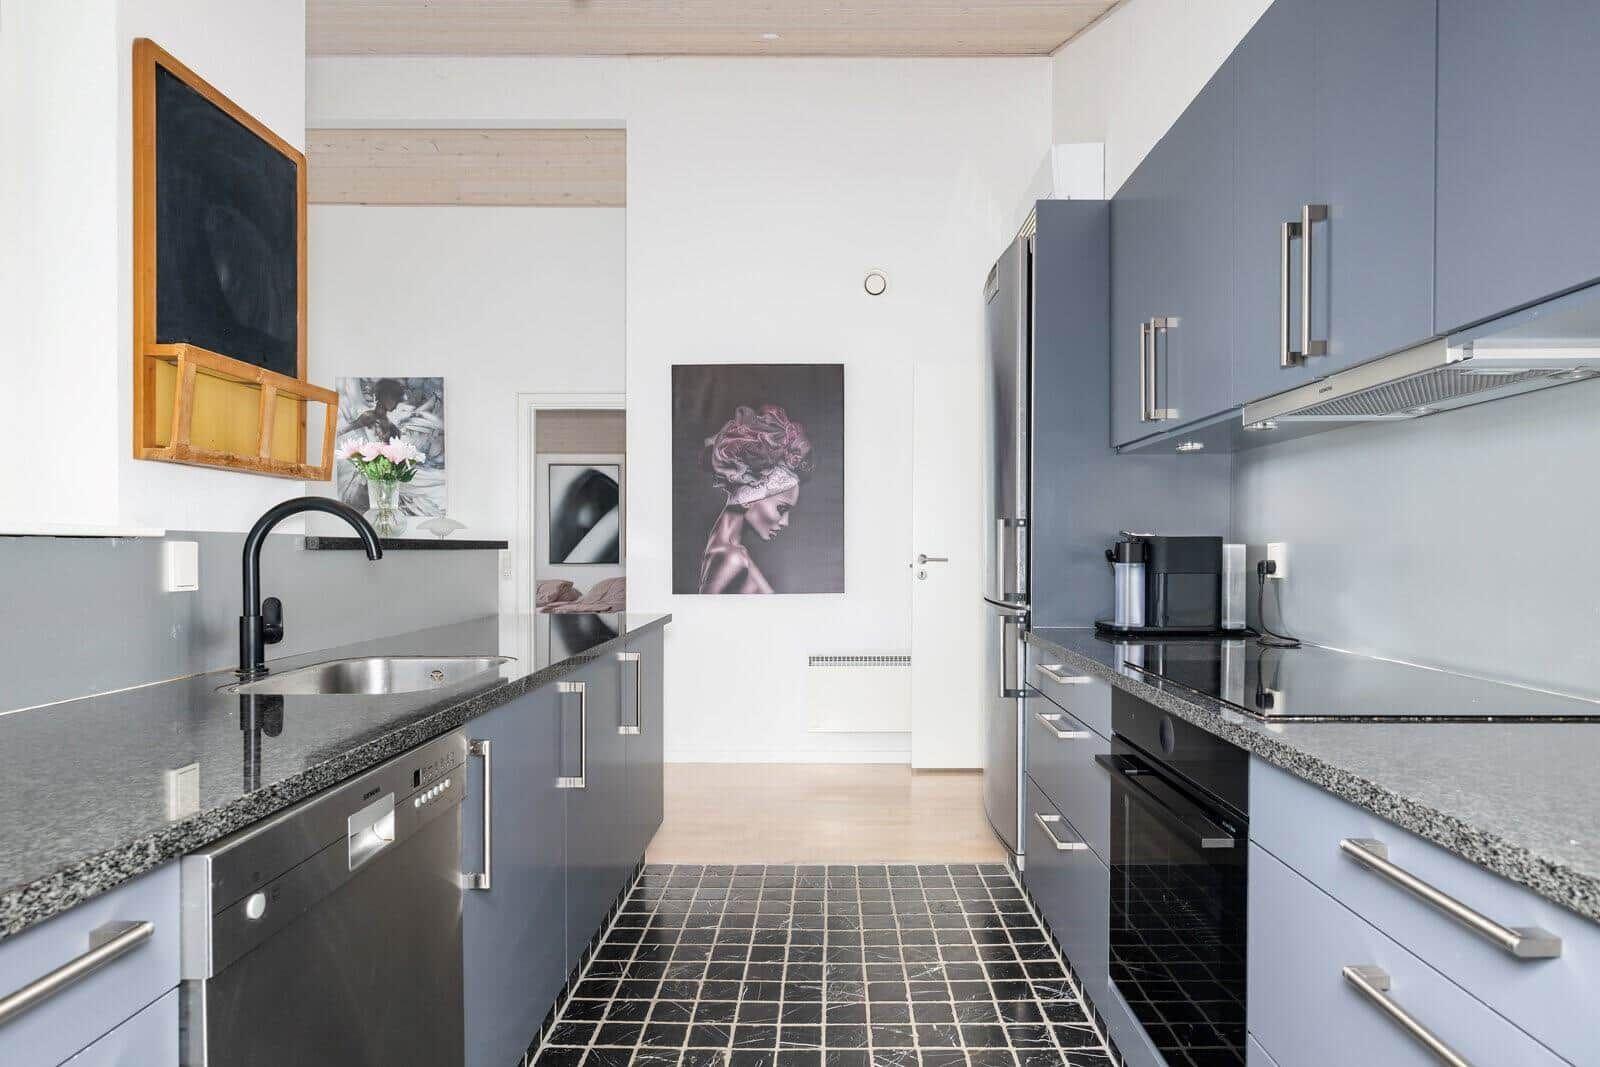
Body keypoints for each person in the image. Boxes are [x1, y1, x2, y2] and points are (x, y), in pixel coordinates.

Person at [698, 404, 814, 594]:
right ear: (749, 497)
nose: (785, 522)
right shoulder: (732, 560)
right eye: (781, 508)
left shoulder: (732, 553)